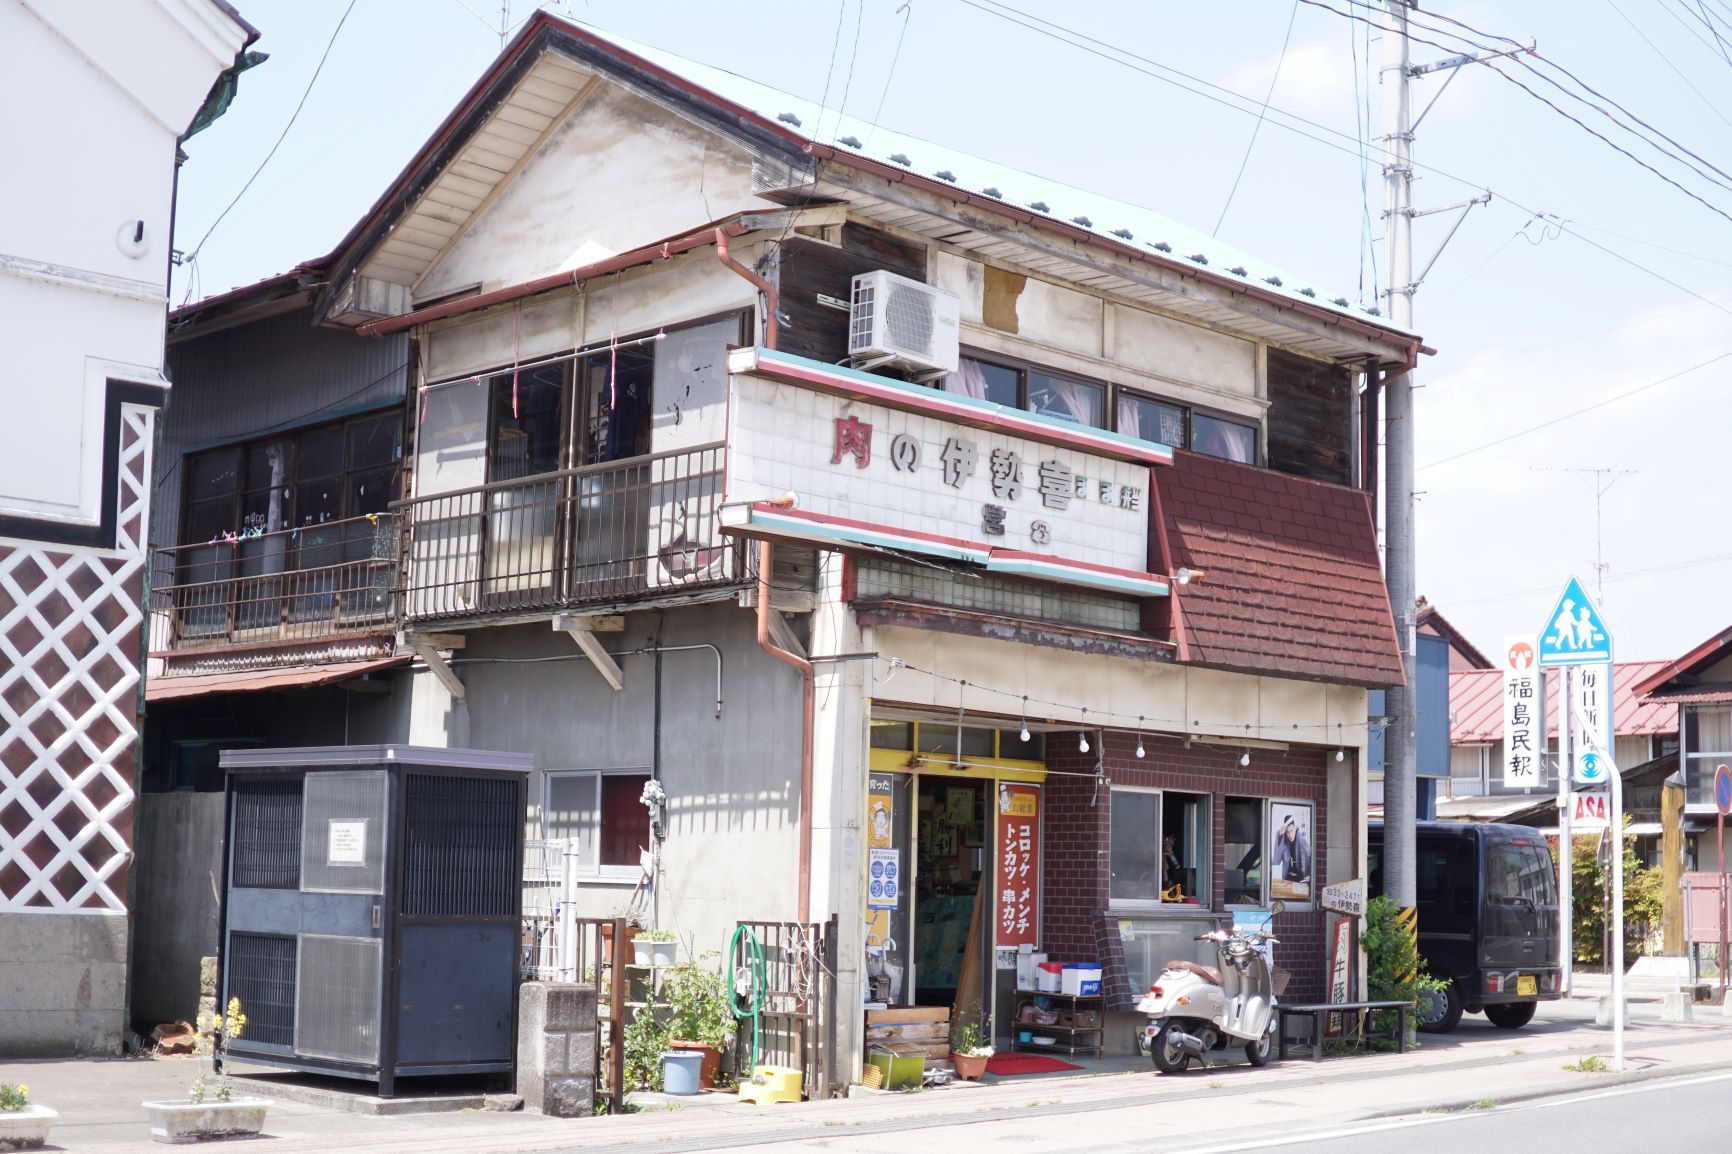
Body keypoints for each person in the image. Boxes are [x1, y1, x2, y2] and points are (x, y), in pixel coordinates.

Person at [1272, 814, 1311, 884]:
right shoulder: (1284, 840)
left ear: (1295, 828)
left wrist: (1309, 875)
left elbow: (1308, 859)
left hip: (1301, 879)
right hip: (1287, 879)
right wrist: (1280, 836)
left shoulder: (1302, 840)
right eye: (1287, 832)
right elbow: (1276, 861)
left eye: (1291, 830)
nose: (1290, 835)